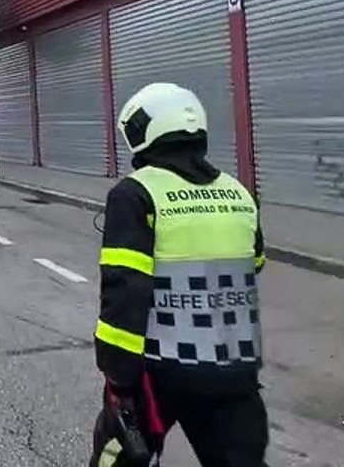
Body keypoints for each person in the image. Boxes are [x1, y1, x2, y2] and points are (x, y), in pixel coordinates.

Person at [89, 82, 269, 466]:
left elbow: (125, 293)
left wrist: (119, 378)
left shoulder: (136, 194)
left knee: (117, 457)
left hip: (161, 371)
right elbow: (254, 263)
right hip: (234, 371)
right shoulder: (237, 192)